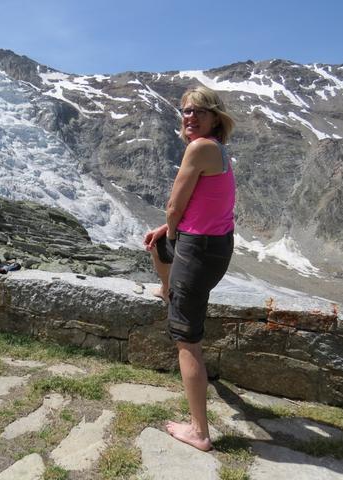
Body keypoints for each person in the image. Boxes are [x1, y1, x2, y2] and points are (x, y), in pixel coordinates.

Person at [143, 85, 235, 451]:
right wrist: (169, 233)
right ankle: (169, 292)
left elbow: (173, 206)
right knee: (158, 244)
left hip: (198, 251)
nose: (190, 117)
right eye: (185, 111)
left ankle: (200, 431)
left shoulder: (199, 148)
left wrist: (173, 225)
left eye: (199, 111)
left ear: (215, 117)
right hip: (215, 245)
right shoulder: (220, 151)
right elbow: (205, 202)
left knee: (187, 342)